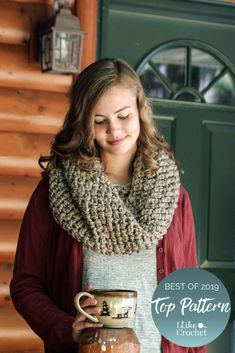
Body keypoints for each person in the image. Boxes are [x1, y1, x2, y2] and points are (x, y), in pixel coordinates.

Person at [10, 58, 207, 353]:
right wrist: (65, 327)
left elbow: (188, 297)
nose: (114, 130)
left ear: (140, 110)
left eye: (124, 115)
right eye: (100, 121)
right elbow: (26, 285)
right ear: (84, 122)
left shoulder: (175, 197)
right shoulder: (55, 192)